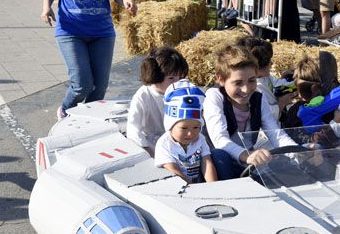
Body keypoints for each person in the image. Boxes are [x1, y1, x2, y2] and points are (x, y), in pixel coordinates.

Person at [204, 45, 297, 180]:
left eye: (252, 81)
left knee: (285, 156)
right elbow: (220, 140)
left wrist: (298, 152)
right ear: (221, 79)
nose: (246, 89)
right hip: (220, 163)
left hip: (250, 160)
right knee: (219, 155)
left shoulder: (258, 97)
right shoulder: (214, 96)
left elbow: (275, 134)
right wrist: (247, 156)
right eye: (238, 83)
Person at [127, 47, 189, 156]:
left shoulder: (184, 93)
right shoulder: (143, 96)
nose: (177, 83)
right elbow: (133, 129)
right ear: (154, 75)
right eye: (171, 78)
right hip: (154, 148)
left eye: (180, 78)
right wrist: (149, 151)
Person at [156, 79, 217, 184]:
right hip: (178, 186)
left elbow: (207, 163)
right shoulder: (164, 143)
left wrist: (213, 186)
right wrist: (192, 189)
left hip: (197, 182)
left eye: (196, 127)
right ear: (170, 126)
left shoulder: (200, 139)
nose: (190, 133)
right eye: (184, 128)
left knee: (219, 156)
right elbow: (174, 170)